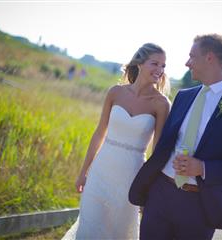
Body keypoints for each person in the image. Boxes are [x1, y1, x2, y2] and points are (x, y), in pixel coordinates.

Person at [129, 33, 222, 239]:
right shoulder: (183, 96)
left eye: (192, 56)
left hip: (200, 206)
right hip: (160, 195)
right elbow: (164, 144)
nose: (187, 63)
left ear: (209, 58)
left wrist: (203, 168)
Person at [62, 43, 170, 239]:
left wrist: (149, 189)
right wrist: (83, 172)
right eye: (155, 63)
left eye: (163, 66)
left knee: (117, 232)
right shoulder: (115, 92)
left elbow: (158, 151)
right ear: (139, 64)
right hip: (100, 173)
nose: (160, 70)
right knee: (89, 228)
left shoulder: (161, 104)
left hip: (131, 177)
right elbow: (99, 134)